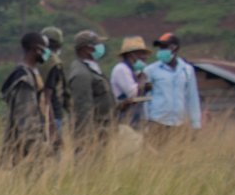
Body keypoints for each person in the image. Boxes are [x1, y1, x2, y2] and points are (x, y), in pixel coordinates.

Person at [0, 32, 55, 168]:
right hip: (27, 150)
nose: (47, 53)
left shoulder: (33, 73)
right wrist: (36, 147)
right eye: (44, 49)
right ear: (35, 49)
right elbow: (26, 117)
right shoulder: (24, 79)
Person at [143, 33, 202, 143]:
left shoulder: (187, 70)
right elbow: (146, 98)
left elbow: (192, 97)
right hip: (157, 121)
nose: (161, 51)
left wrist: (195, 123)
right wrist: (147, 122)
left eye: (165, 47)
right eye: (160, 48)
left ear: (175, 48)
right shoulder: (151, 70)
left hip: (179, 122)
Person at [67, 30, 116, 158]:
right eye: (97, 45)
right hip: (93, 135)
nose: (101, 48)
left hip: (102, 132)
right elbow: (83, 110)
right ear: (87, 49)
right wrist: (86, 141)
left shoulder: (91, 68)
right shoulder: (81, 74)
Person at [110, 36, 153, 128]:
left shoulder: (133, 71)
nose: (144, 57)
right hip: (125, 122)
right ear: (130, 55)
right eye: (140, 54)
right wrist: (142, 81)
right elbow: (132, 93)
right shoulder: (121, 69)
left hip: (136, 121)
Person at [40, 26, 71, 142]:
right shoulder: (54, 63)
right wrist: (52, 126)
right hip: (53, 117)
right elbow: (47, 96)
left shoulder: (38, 60)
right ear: (59, 44)